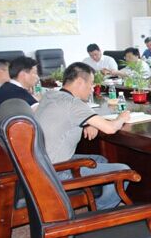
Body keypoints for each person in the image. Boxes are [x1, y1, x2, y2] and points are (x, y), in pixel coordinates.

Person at [35, 62, 132, 210]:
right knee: (124, 171)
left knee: (100, 160)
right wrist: (122, 117)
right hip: (56, 171)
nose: (92, 88)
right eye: (91, 83)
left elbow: (65, 118)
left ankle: (95, 202)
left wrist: (88, 123)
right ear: (80, 82)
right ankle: (102, 211)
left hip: (41, 165)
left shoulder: (51, 95)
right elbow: (110, 128)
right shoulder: (72, 103)